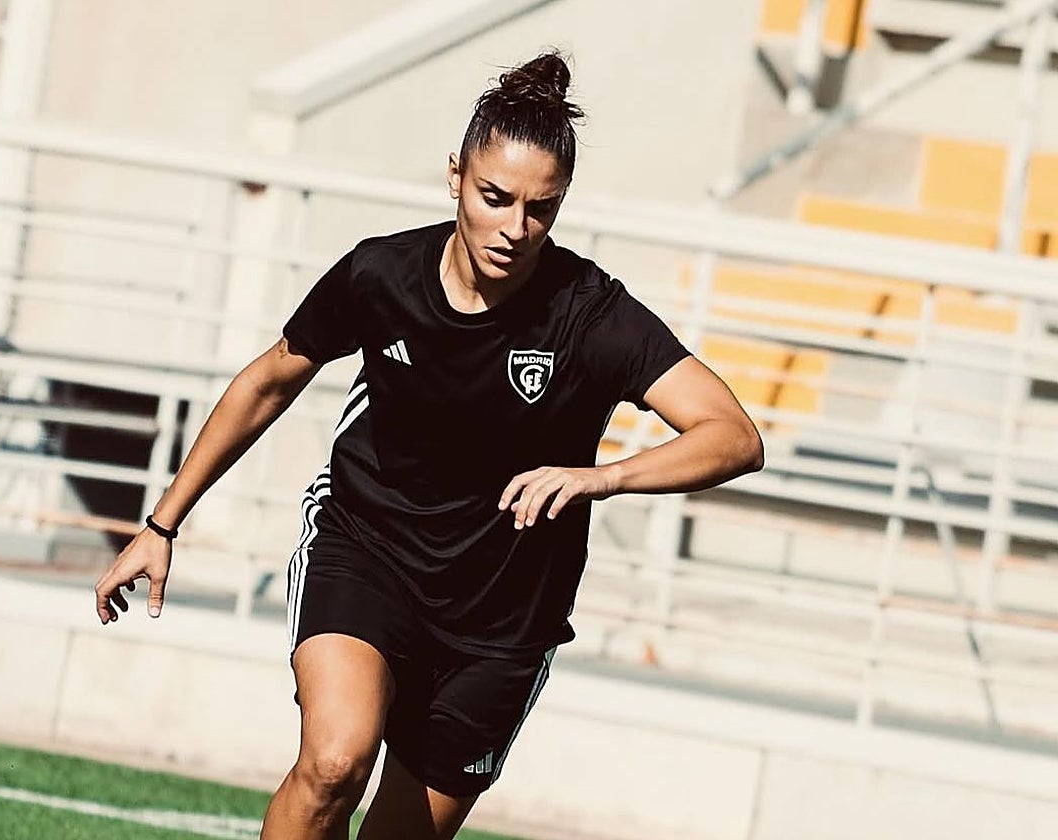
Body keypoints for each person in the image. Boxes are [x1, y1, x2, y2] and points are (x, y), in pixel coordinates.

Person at [95, 50, 763, 840]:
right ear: (455, 177)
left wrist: (602, 478)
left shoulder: (590, 315)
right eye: (495, 197)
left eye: (541, 209)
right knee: (335, 762)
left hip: (504, 616)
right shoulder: (380, 277)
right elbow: (270, 379)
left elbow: (734, 435)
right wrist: (162, 524)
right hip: (368, 550)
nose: (515, 229)